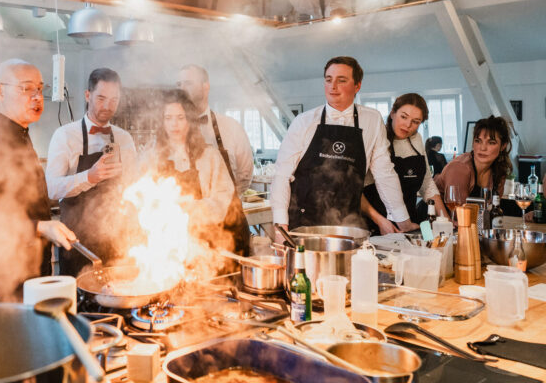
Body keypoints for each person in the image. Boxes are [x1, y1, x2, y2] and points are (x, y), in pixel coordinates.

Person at [0, 59, 75, 302]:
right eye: (26, 88)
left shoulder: (20, 134)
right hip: (0, 284)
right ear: (0, 91)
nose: (37, 97)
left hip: (30, 275)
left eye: (40, 89)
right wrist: (40, 227)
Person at [270, 56, 414, 237]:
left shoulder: (371, 119)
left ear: (357, 86)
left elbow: (384, 173)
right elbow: (282, 176)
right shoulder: (304, 121)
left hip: (349, 223)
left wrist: (403, 220)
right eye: (328, 80)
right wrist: (280, 227)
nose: (333, 86)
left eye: (341, 80)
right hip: (303, 223)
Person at [46, 68, 138, 277]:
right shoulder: (65, 136)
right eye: (101, 98)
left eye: (114, 100)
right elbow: (52, 188)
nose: (107, 106)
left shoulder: (124, 139)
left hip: (117, 241)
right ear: (88, 95)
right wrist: (89, 177)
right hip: (77, 244)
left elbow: (133, 187)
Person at [139, 90, 250, 256]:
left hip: (208, 245)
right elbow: (142, 200)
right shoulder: (151, 157)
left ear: (190, 120)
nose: (174, 124)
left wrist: (189, 208)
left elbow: (222, 200)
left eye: (180, 118)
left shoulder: (209, 155)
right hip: (167, 247)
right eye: (168, 118)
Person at [361, 94, 449, 235]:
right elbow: (356, 191)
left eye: (416, 121)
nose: (408, 125)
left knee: (433, 249)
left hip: (411, 222)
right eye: (404, 117)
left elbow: (427, 184)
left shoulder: (416, 138)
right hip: (379, 226)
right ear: (392, 113)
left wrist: (446, 221)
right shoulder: (375, 138)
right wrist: (379, 220)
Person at [177, 65, 254, 195]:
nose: (181, 89)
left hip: (227, 212)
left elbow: (245, 176)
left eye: (188, 83)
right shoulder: (169, 132)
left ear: (205, 87)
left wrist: (224, 203)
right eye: (178, 84)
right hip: (186, 212)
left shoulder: (231, 127)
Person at [435, 116, 512, 205]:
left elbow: (493, 208)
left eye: (491, 143)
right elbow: (459, 212)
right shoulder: (459, 168)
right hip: (430, 216)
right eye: (478, 141)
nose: (483, 148)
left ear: (503, 146)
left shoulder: (499, 171)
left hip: (468, 218)